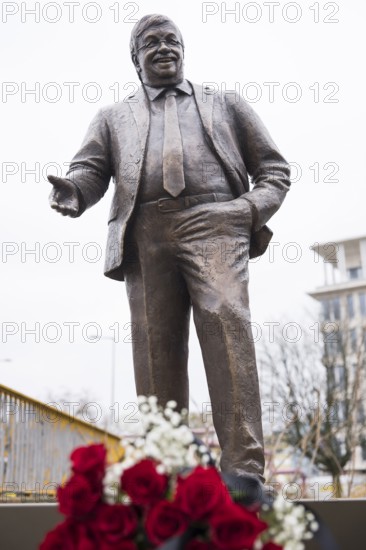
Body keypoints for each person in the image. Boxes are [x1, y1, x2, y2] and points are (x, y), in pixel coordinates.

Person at [49, 14, 291, 482]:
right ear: (135, 59)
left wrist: (243, 212)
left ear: (184, 49)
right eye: (151, 43)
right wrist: (74, 191)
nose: (164, 48)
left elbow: (275, 172)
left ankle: (245, 475)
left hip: (217, 225)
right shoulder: (113, 117)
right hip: (146, 237)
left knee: (226, 323)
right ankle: (171, 475)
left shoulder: (226, 104)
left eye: (172, 40)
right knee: (155, 351)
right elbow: (91, 169)